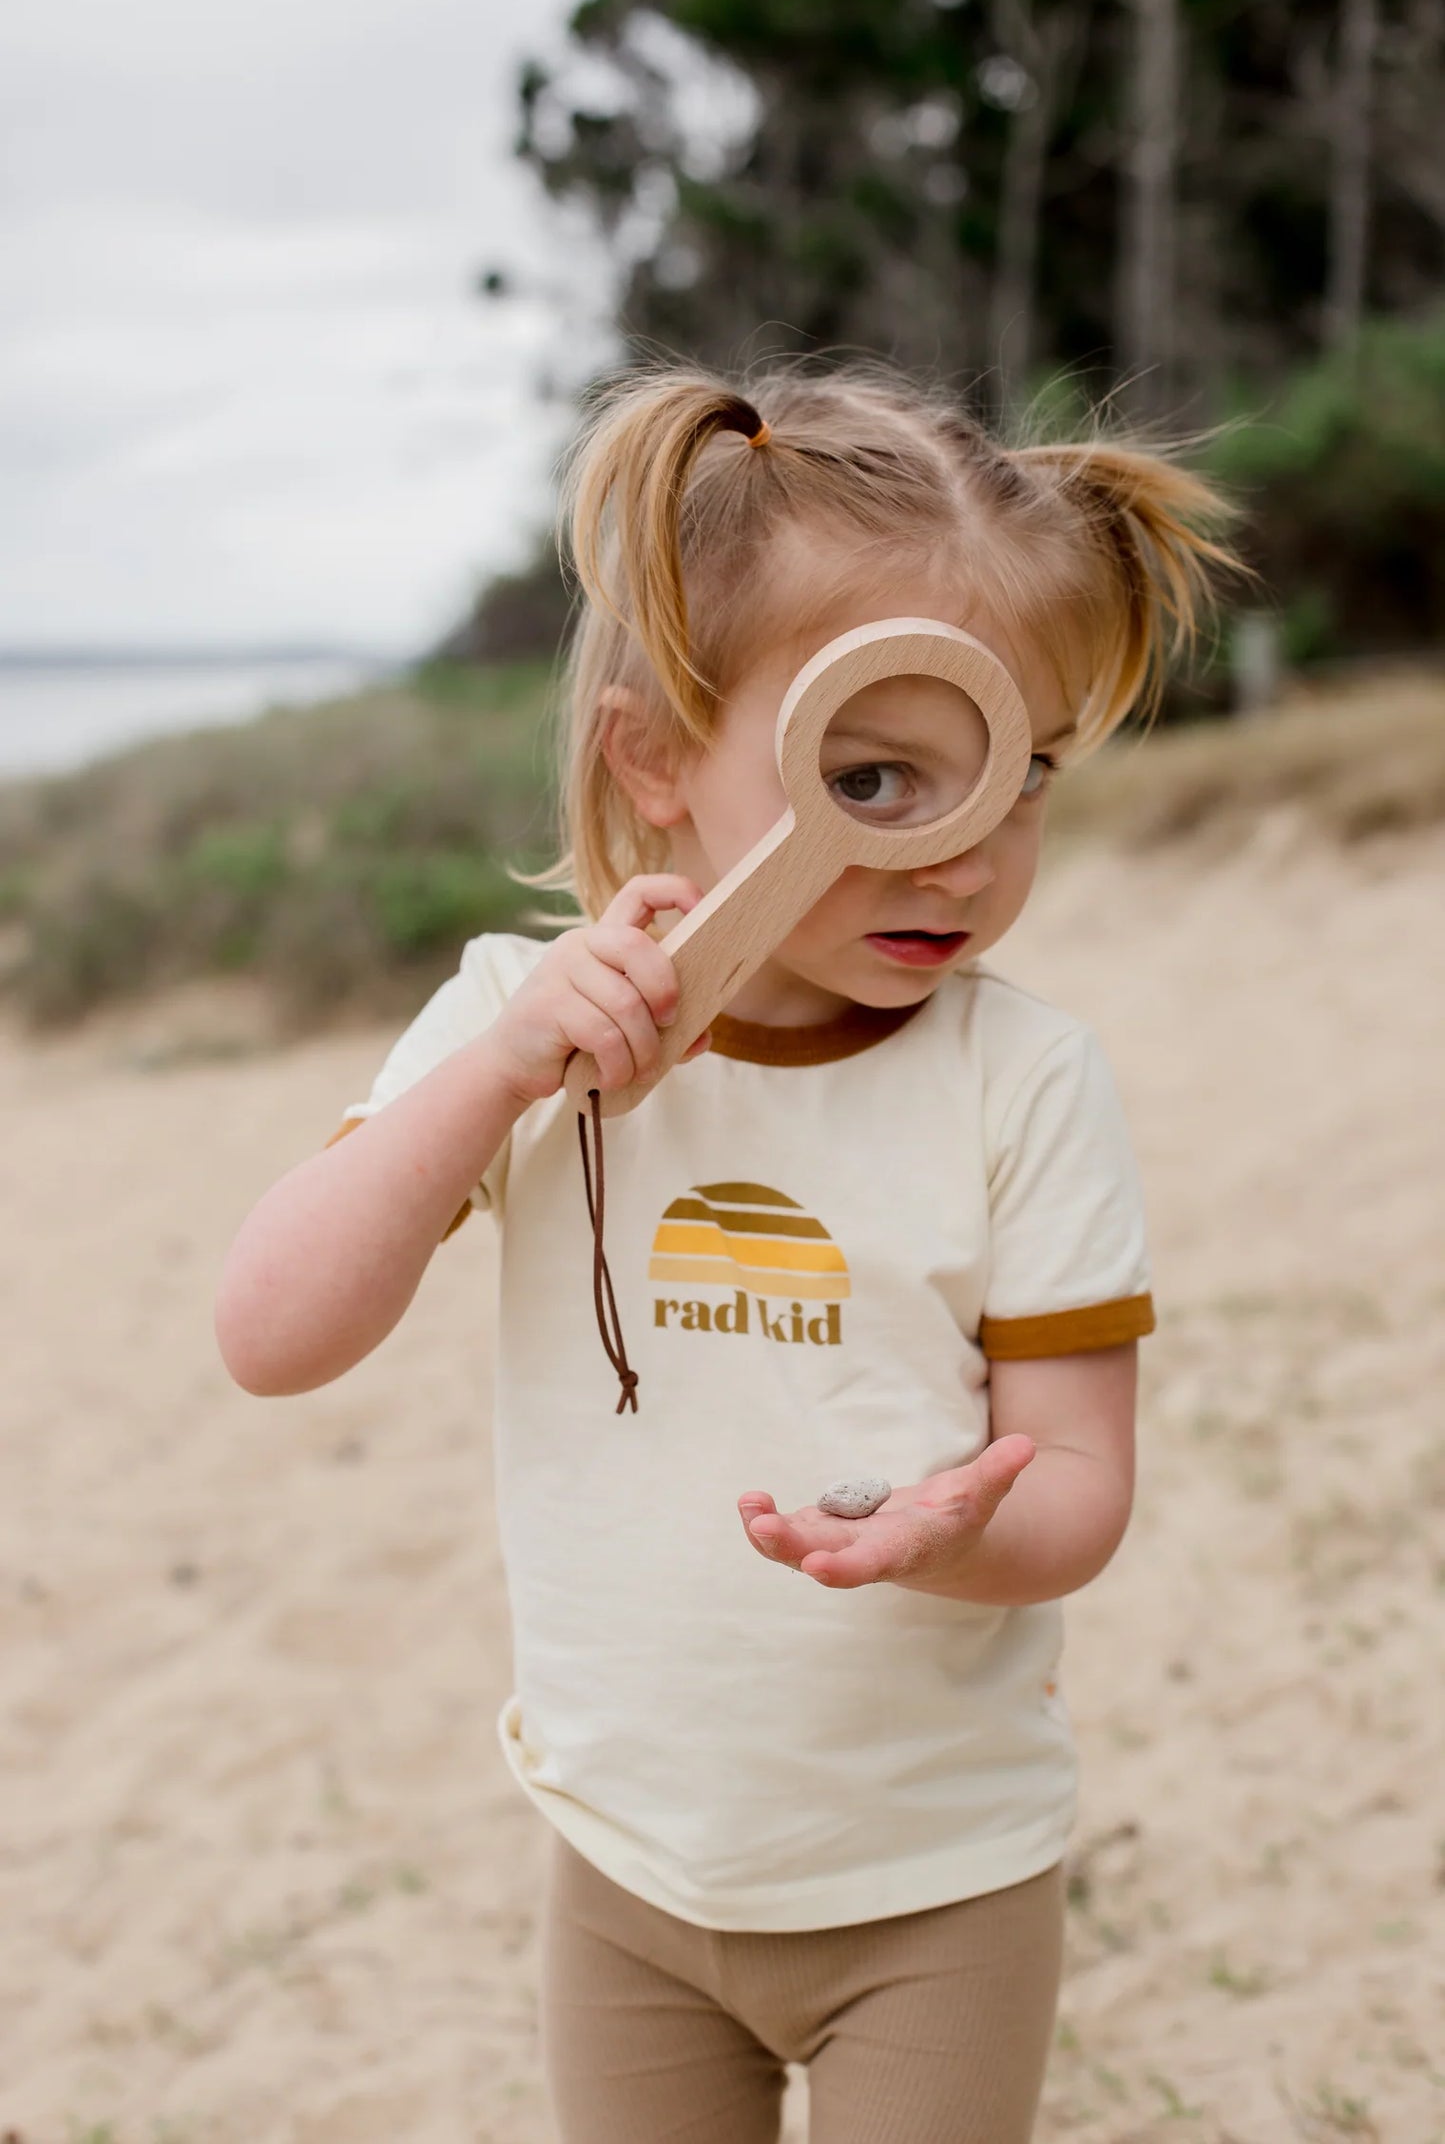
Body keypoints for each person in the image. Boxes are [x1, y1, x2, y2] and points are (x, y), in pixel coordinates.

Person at [215, 365, 1242, 2144]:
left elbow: (1080, 1482)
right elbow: (272, 1334)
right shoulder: (506, 1031)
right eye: (871, 776)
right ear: (657, 761)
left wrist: (959, 1527)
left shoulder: (1020, 1081)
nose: (965, 853)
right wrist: (502, 1075)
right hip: (624, 1867)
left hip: (936, 1880)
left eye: (1021, 776)